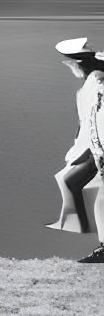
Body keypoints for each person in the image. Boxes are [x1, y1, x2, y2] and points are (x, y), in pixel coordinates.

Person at [50, 37, 104, 261]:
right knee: (74, 182)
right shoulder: (95, 81)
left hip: (100, 150)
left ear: (77, 65)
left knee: (97, 194)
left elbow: (95, 120)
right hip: (97, 150)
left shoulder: (97, 84)